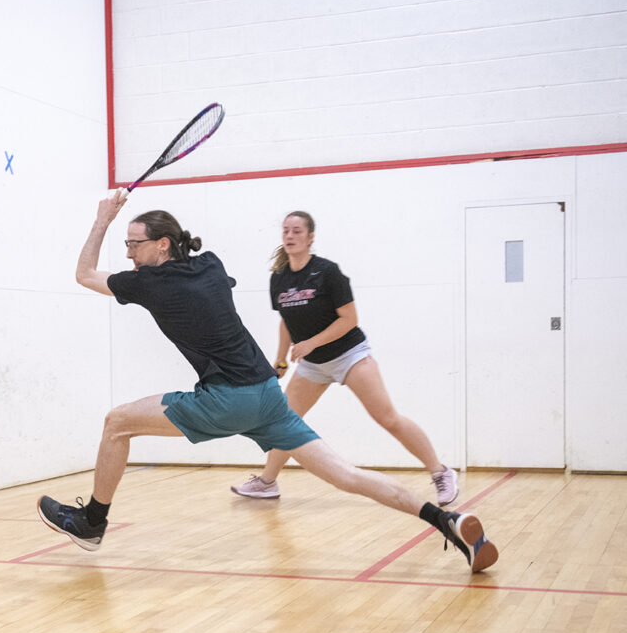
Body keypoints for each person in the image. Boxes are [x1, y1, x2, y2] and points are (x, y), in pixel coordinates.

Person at [36, 191, 498, 574]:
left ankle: (92, 522)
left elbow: (82, 274)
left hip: (227, 399)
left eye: (134, 245)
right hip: (268, 395)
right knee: (346, 475)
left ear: (160, 246)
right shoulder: (211, 264)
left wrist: (101, 220)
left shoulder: (149, 284)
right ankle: (446, 520)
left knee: (117, 422)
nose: (129, 256)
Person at [231, 211, 458, 506]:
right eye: (286, 231)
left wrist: (310, 343)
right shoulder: (279, 278)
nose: (290, 236)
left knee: (387, 418)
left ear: (310, 237)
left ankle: (441, 473)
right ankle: (267, 483)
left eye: (297, 231)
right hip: (313, 364)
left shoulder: (328, 272)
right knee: (285, 422)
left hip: (350, 356)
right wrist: (280, 360)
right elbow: (286, 321)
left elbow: (349, 319)